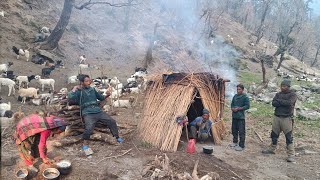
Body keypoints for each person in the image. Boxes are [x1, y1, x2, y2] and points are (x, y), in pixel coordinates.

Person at [67, 74, 123, 149]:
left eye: (89, 81)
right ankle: (85, 143)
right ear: (81, 82)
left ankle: (116, 136)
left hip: (97, 111)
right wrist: (74, 88)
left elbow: (101, 98)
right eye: (86, 81)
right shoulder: (78, 91)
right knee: (89, 127)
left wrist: (107, 95)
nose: (89, 82)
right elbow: (70, 96)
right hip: (87, 112)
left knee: (111, 121)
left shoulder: (92, 89)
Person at [262, 79, 297, 162]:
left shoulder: (293, 95)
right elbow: (274, 103)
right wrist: (282, 103)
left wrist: (280, 102)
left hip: (287, 118)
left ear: (288, 87)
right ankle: (272, 149)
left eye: (284, 86)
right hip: (277, 117)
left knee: (288, 136)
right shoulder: (278, 94)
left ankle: (291, 155)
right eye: (282, 86)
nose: (282, 87)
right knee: (274, 134)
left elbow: (289, 103)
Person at [230, 84, 250, 151]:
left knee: (241, 131)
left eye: (239, 89)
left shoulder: (245, 97)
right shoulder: (235, 96)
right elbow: (232, 104)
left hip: (241, 117)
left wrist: (239, 108)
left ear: (242, 90)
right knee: (234, 130)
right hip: (234, 116)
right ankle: (235, 142)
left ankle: (241, 145)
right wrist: (232, 108)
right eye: (237, 89)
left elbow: (247, 106)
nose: (238, 91)